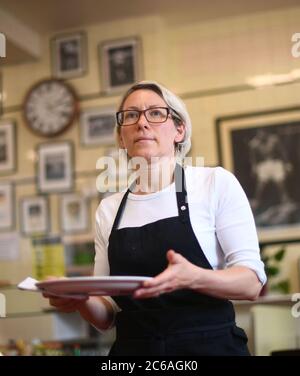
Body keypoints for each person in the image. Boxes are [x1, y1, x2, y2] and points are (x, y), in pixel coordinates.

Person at [44, 81, 266, 356]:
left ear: (179, 130)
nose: (142, 123)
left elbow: (251, 283)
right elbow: (108, 313)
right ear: (120, 138)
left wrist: (194, 277)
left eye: (156, 113)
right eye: (131, 115)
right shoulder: (109, 210)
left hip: (210, 347)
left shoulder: (214, 183)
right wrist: (80, 301)